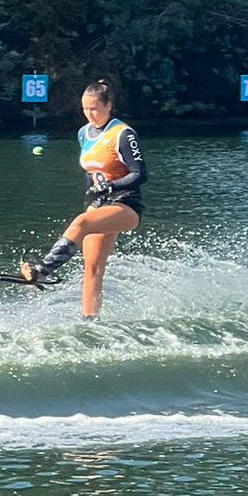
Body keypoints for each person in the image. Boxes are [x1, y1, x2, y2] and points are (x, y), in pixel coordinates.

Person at [18, 80, 145, 319]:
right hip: (98, 205)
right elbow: (90, 175)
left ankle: (44, 269)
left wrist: (110, 186)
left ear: (109, 106)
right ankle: (90, 320)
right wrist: (91, 204)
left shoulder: (122, 134)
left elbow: (140, 174)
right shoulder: (83, 133)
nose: (89, 114)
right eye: (85, 108)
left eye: (94, 109)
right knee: (92, 269)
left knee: (81, 223)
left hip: (125, 205)